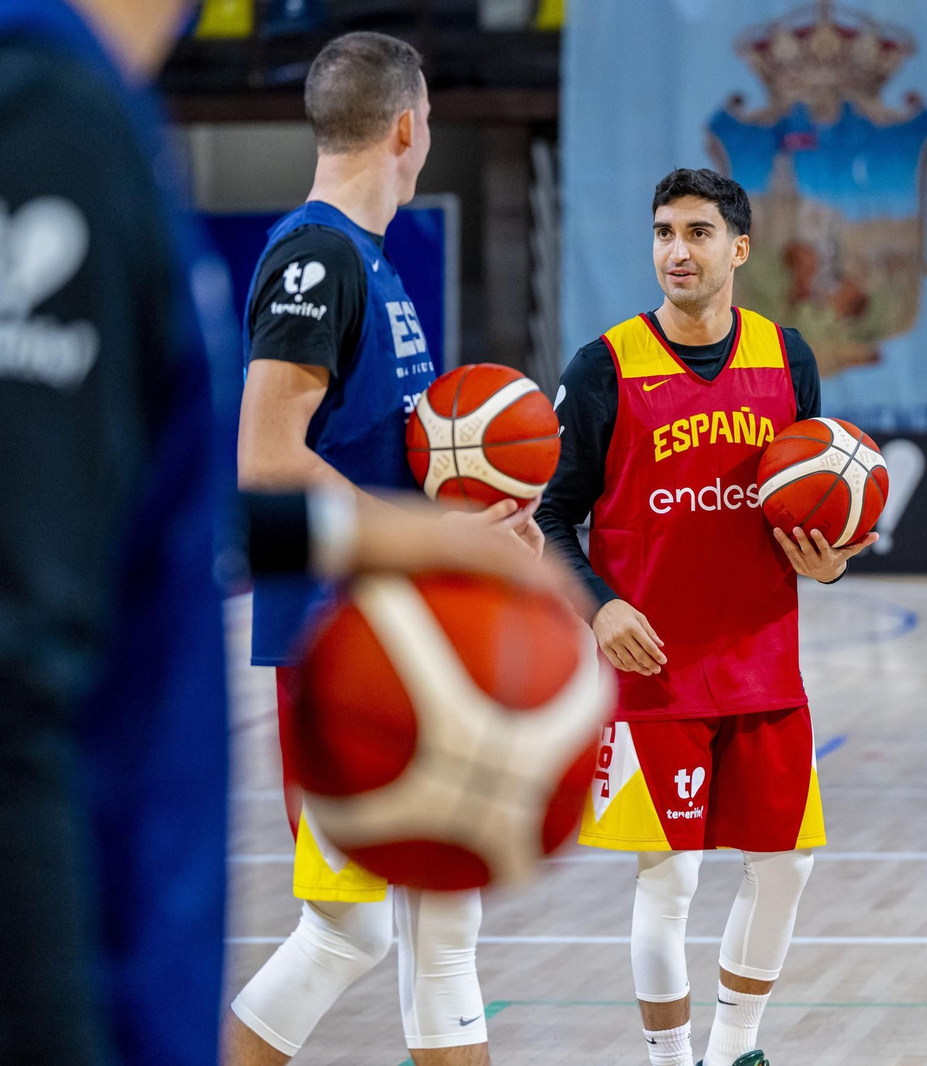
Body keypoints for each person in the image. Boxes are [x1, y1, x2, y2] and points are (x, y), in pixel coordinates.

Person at [0, 3, 566, 1064]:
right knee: (384, 933)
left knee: (373, 933)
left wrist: (402, 539)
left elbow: (105, 518)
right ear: (412, 125)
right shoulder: (24, 114)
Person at [227, 31, 540, 1066]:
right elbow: (267, 459)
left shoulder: (369, 262)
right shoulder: (315, 257)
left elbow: (374, 461)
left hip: (397, 630)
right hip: (335, 643)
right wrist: (432, 534)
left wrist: (478, 519)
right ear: (408, 126)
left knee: (441, 924)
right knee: (352, 928)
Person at [539, 168, 876, 1066]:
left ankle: (735, 1050)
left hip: (765, 661)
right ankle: (671, 1062)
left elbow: (806, 507)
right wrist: (600, 606)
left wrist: (831, 562)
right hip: (655, 670)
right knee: (671, 876)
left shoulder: (787, 355)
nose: (675, 252)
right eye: (661, 233)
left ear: (740, 249)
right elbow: (549, 516)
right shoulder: (604, 365)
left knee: (786, 867)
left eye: (695, 233)